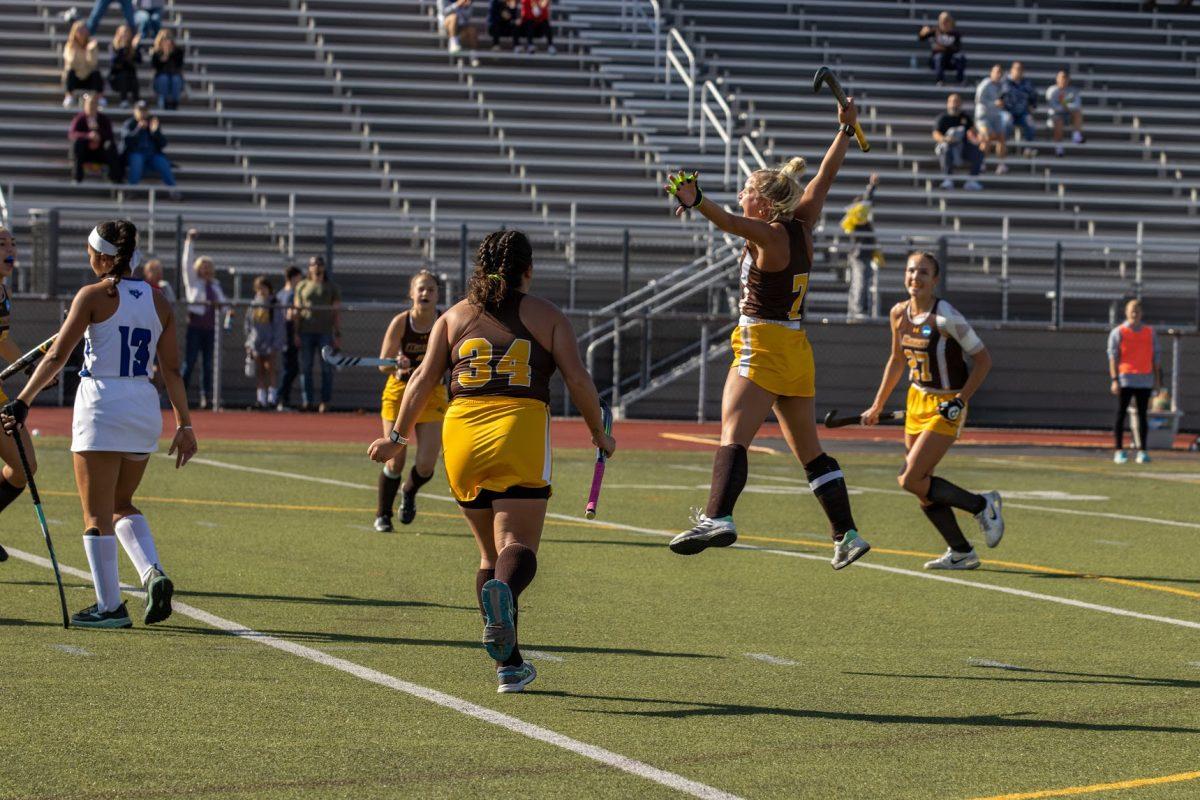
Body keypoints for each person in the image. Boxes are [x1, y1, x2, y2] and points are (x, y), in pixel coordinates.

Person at [368, 230, 615, 693]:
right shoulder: (546, 315)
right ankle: (506, 596)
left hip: (460, 435)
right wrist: (599, 433)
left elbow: (422, 380)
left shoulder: (454, 316)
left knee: (488, 554)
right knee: (516, 547)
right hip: (517, 430)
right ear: (528, 269)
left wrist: (396, 438)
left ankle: (510, 665)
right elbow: (579, 381)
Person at [663, 99, 872, 571]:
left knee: (732, 434)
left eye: (747, 189)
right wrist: (846, 131)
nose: (741, 193)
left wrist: (698, 202)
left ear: (764, 201)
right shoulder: (803, 222)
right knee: (810, 451)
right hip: (796, 348)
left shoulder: (770, 234)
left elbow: (734, 223)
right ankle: (847, 533)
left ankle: (718, 516)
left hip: (765, 342)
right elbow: (824, 178)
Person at [1, 219, 197, 628]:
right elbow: (173, 370)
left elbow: (56, 356)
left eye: (90, 252)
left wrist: (22, 400)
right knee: (122, 505)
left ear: (105, 257)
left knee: (96, 515)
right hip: (144, 406)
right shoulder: (160, 301)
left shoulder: (92, 295)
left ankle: (109, 607)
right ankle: (151, 572)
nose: (86, 258)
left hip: (102, 405)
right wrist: (185, 424)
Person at [861, 251, 1003, 570]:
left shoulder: (946, 316)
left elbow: (983, 361)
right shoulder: (898, 313)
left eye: (924, 272)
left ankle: (982, 505)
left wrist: (960, 400)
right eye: (912, 271)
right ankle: (961, 551)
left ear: (935, 280)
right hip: (916, 400)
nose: (916, 277)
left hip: (947, 403)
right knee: (923, 486)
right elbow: (897, 361)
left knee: (910, 478)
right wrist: (877, 404)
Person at [374, 270, 447, 532]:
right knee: (395, 460)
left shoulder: (445, 321)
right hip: (399, 393)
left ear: (438, 294)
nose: (425, 293)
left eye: (431, 289)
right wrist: (396, 363)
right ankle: (383, 514)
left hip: (433, 394)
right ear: (411, 293)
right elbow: (384, 363)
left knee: (426, 465)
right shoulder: (401, 322)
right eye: (421, 289)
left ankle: (409, 491)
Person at [0, 227, 46, 567]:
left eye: (13, 243)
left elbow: (2, 340)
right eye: (2, 244)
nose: (10, 249)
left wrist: (33, 369)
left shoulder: (2, 289)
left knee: (24, 466)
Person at [1108, 299, 1161, 464]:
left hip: (1144, 379)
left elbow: (1156, 357)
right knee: (1121, 414)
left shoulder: (1149, 332)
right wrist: (1115, 379)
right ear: (1126, 312)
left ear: (1141, 313)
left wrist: (1157, 381)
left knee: (1142, 416)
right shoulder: (1119, 332)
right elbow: (1113, 357)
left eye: (1137, 311)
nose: (1134, 314)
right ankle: (1119, 450)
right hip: (1125, 378)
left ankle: (1142, 451)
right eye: (1132, 310)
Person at [180, 229, 226, 408]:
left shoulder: (215, 285)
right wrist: (189, 242)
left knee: (208, 365)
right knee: (189, 362)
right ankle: (180, 396)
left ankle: (206, 397)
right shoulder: (193, 282)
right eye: (203, 266)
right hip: (196, 327)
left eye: (209, 267)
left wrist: (226, 310)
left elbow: (223, 304)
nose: (206, 270)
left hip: (211, 330)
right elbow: (186, 264)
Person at [293, 255, 341, 413]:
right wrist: (296, 332)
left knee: (327, 367)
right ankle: (308, 401)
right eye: (314, 264)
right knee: (306, 368)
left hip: (325, 332)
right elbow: (297, 310)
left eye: (320, 264)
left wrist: (337, 333)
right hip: (306, 331)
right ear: (309, 267)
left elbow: (336, 311)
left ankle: (325, 401)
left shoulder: (331, 287)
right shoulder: (302, 285)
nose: (317, 267)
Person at [839, 173, 881, 318]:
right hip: (860, 255)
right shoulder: (856, 220)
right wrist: (872, 187)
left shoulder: (863, 223)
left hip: (865, 255)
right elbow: (865, 204)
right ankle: (858, 310)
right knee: (860, 282)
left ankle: (859, 309)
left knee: (863, 283)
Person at [245, 276, 286, 409]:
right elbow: (248, 325)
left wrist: (276, 344)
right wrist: (249, 343)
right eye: (259, 288)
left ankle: (272, 398)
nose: (261, 291)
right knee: (260, 370)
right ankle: (261, 399)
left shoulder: (274, 305)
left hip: (270, 342)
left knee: (270, 369)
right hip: (256, 343)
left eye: (264, 288)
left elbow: (279, 326)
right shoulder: (254, 305)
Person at [69, 93, 123, 184]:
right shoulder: (80, 118)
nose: (92, 107)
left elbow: (110, 136)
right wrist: (88, 136)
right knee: (77, 144)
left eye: (94, 104)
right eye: (89, 104)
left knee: (110, 146)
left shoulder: (103, 119)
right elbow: (72, 134)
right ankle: (77, 178)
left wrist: (99, 134)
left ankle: (115, 179)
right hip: (85, 152)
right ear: (85, 105)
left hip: (100, 152)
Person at [933, 93, 984, 191]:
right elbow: (936, 134)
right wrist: (946, 139)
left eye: (956, 102)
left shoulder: (965, 118)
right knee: (946, 149)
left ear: (960, 104)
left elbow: (973, 131)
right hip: (948, 146)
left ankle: (972, 180)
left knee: (978, 151)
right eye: (952, 102)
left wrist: (978, 138)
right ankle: (948, 179)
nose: (954, 104)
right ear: (948, 103)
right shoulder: (943, 118)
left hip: (962, 147)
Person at [120, 101, 177, 189]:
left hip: (152, 155)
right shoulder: (129, 123)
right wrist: (138, 129)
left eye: (145, 111)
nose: (143, 113)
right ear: (135, 111)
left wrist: (155, 132)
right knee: (137, 160)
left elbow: (163, 143)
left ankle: (173, 190)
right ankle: (131, 189)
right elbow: (126, 140)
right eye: (140, 110)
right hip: (135, 154)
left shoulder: (152, 124)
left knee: (163, 163)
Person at [274, 265, 303, 410]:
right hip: (288, 332)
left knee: (289, 367)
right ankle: (280, 398)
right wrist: (296, 334)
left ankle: (282, 398)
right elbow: (291, 316)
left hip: (282, 332)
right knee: (290, 368)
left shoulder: (280, 294)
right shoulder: (292, 294)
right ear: (293, 277)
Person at [974, 64, 1010, 174]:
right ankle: (981, 163)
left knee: (1002, 138)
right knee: (986, 137)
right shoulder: (985, 84)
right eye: (996, 72)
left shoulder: (1002, 85)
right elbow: (979, 100)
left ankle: (1001, 164)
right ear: (991, 73)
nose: (998, 74)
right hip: (983, 117)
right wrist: (994, 103)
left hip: (996, 116)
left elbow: (1004, 99)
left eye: (1000, 72)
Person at [62, 21, 104, 108]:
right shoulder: (69, 45)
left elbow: (93, 64)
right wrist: (76, 51)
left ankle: (100, 98)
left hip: (88, 77)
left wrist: (89, 51)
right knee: (70, 72)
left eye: (83, 30)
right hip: (76, 78)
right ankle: (69, 96)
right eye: (79, 30)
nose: (81, 33)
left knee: (96, 73)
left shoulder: (92, 45)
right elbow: (71, 63)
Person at [918, 12, 965, 85]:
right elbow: (922, 38)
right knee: (939, 57)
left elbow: (957, 48)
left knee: (961, 57)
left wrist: (944, 48)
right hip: (937, 61)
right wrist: (922, 32)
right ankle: (940, 80)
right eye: (942, 21)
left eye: (947, 21)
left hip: (949, 60)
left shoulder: (955, 34)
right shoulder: (935, 30)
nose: (945, 24)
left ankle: (960, 80)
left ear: (951, 22)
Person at [1045, 70, 1085, 157]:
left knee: (1077, 113)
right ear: (1057, 79)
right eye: (1061, 78)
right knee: (1058, 121)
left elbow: (1077, 105)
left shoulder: (1073, 91)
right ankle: (1059, 147)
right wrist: (1065, 106)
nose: (1063, 80)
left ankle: (1076, 135)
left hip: (1069, 115)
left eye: (1065, 78)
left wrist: (1064, 105)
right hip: (1056, 116)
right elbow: (1053, 106)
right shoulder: (1052, 90)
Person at [1001, 61, 1037, 151]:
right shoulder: (1004, 82)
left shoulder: (1027, 83)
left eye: (1020, 69)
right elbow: (998, 96)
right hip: (1007, 111)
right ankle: (1004, 145)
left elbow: (1033, 96)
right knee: (1006, 120)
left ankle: (1029, 147)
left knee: (1030, 122)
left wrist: (1032, 106)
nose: (1018, 71)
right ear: (1011, 70)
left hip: (1022, 113)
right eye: (1016, 69)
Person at [150, 30, 184, 110]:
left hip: (174, 75)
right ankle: (163, 101)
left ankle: (175, 102)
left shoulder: (178, 52)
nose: (167, 41)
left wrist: (170, 54)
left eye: (168, 38)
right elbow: (155, 67)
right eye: (164, 39)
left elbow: (179, 65)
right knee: (163, 79)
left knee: (176, 79)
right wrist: (164, 56)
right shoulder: (156, 52)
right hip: (161, 77)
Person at [108, 25, 141, 107]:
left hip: (130, 78)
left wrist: (135, 48)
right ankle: (124, 100)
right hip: (116, 79)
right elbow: (114, 61)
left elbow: (139, 60)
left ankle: (136, 100)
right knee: (123, 75)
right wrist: (123, 48)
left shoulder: (132, 46)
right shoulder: (113, 46)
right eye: (123, 33)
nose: (125, 35)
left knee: (132, 77)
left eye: (127, 32)